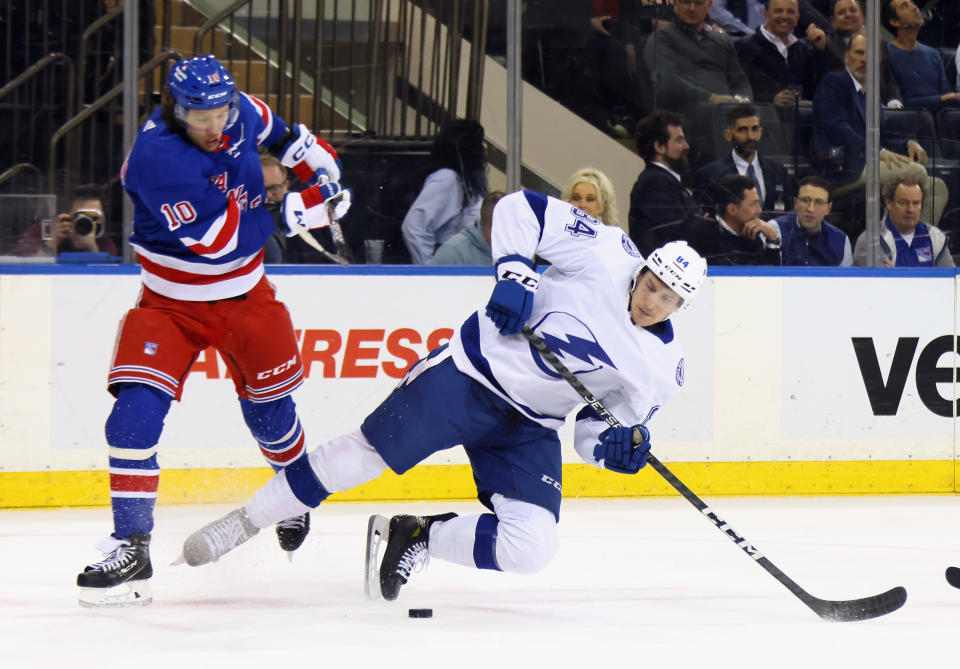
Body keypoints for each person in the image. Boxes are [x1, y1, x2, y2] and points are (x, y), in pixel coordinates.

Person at [175, 190, 708, 604]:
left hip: (531, 427)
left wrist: (613, 450)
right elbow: (519, 209)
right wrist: (516, 274)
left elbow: (594, 431)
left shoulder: (662, 369)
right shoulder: (605, 250)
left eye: (669, 299)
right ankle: (245, 521)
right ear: (642, 268)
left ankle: (414, 536)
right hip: (469, 375)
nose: (652, 301)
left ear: (682, 307)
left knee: (532, 548)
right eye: (652, 284)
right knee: (366, 455)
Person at [75, 55, 352, 608]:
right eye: (198, 115)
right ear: (175, 109)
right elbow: (220, 242)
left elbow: (288, 135)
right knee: (132, 415)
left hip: (246, 296)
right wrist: (301, 210)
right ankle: (131, 544)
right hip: (170, 303)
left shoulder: (239, 112)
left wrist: (318, 162)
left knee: (271, 416)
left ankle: (291, 497)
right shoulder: (157, 158)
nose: (213, 126)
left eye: (220, 111)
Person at [811, 31, 948, 226]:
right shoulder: (835, 83)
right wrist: (877, 151)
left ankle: (913, 247)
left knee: (938, 188)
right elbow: (836, 129)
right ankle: (896, 243)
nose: (865, 60)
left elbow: (880, 140)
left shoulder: (871, 94)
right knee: (917, 173)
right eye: (859, 53)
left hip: (868, 163)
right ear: (846, 57)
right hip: (842, 168)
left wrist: (907, 144)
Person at [642, 0, 753, 124]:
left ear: (709, 6)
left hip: (728, 111)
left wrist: (742, 102)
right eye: (685, 2)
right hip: (686, 114)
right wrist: (712, 98)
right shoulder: (662, 38)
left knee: (765, 116)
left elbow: (741, 81)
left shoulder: (721, 41)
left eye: (698, 3)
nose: (692, 8)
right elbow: (667, 82)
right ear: (675, 5)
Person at [402, 119, 487, 264]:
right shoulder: (447, 178)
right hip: (451, 266)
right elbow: (414, 227)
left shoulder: (468, 181)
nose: (484, 147)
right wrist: (431, 269)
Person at [629, 110, 707, 255]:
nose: (686, 146)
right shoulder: (655, 183)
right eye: (679, 140)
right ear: (659, 146)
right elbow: (677, 235)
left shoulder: (664, 181)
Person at [695, 103, 794, 217]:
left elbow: (787, 215)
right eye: (742, 130)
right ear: (728, 135)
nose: (750, 136)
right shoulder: (711, 175)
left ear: (760, 132)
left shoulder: (779, 172)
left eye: (755, 129)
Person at [734, 0, 830, 107]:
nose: (784, 16)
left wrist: (821, 50)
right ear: (766, 15)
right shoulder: (744, 46)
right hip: (761, 119)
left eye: (790, 12)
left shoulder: (804, 51)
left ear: (797, 18)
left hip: (799, 120)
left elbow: (819, 89)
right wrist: (771, 99)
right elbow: (738, 88)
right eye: (778, 11)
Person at [853, 174, 954, 267]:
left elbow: (952, 280)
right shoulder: (870, 241)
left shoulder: (935, 237)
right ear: (889, 203)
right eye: (903, 203)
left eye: (916, 203)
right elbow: (874, 283)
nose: (910, 209)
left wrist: (896, 274)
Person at [883, 0, 960, 115]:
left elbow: (947, 93)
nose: (915, 8)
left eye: (913, 3)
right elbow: (897, 101)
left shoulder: (932, 54)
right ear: (894, 21)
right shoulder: (886, 54)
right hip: (910, 120)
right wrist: (941, 99)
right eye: (905, 6)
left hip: (940, 120)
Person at [822, 0, 903, 108]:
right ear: (833, 22)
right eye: (842, 12)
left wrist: (894, 104)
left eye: (853, 10)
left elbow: (889, 82)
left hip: (884, 113)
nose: (848, 14)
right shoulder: (826, 46)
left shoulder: (880, 43)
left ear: (862, 16)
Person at [688, 173, 782, 264]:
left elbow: (769, 277)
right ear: (732, 209)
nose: (759, 210)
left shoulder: (751, 234)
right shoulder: (703, 236)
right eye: (753, 204)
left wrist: (772, 238)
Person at [12, 185, 119, 257]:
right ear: (67, 215)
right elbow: (22, 269)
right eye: (80, 216)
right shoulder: (44, 231)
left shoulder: (102, 239)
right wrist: (52, 243)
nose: (86, 222)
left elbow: (109, 276)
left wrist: (92, 248)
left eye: (94, 219)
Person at [775, 175, 853, 265]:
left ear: (828, 208)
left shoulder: (841, 241)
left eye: (819, 202)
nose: (811, 209)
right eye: (805, 200)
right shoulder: (775, 230)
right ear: (795, 203)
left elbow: (845, 279)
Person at [428, 191, 504, 265]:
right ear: (483, 224)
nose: (506, 236)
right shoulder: (452, 254)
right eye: (500, 229)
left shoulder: (513, 248)